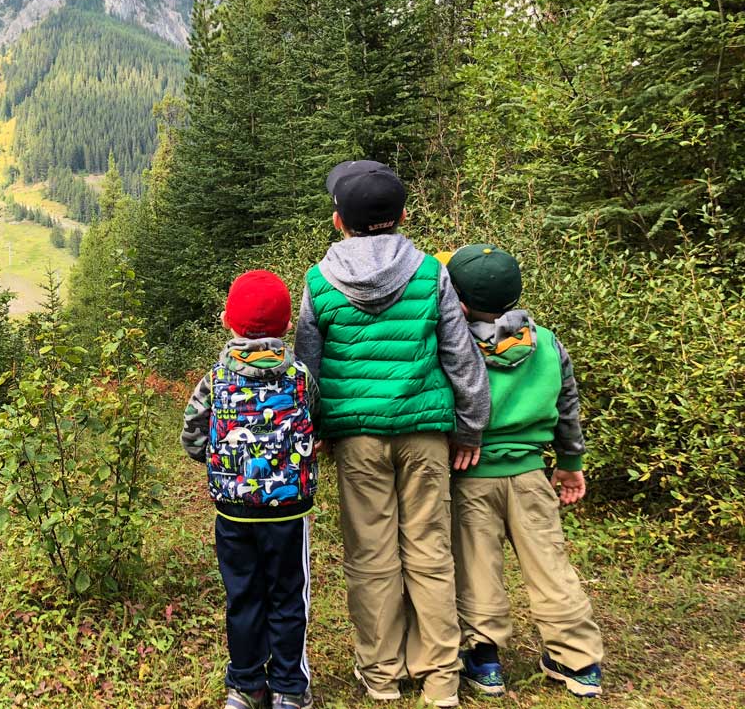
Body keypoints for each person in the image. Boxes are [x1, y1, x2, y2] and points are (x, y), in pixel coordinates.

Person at [294, 160, 490, 708]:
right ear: (403, 216)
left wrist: (317, 429)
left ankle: (382, 675)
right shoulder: (431, 273)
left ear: (339, 222)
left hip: (357, 438)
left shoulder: (318, 282)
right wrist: (471, 426)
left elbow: (309, 367)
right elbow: (461, 356)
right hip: (425, 433)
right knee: (430, 551)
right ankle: (442, 679)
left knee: (371, 554)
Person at [443, 244, 604, 698]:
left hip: (470, 474)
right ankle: (579, 661)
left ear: (456, 299)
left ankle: (485, 658)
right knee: (550, 565)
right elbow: (567, 406)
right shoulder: (547, 342)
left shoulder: (454, 343)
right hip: (532, 474)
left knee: (476, 565)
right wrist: (570, 465)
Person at [182, 270, 320, 709]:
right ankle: (288, 689)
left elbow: (192, 434)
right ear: (286, 327)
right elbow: (316, 419)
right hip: (287, 513)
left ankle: (244, 686)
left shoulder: (215, 378)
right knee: (287, 596)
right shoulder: (300, 376)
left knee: (242, 595)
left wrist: (215, 462)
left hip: (233, 511)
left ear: (229, 321)